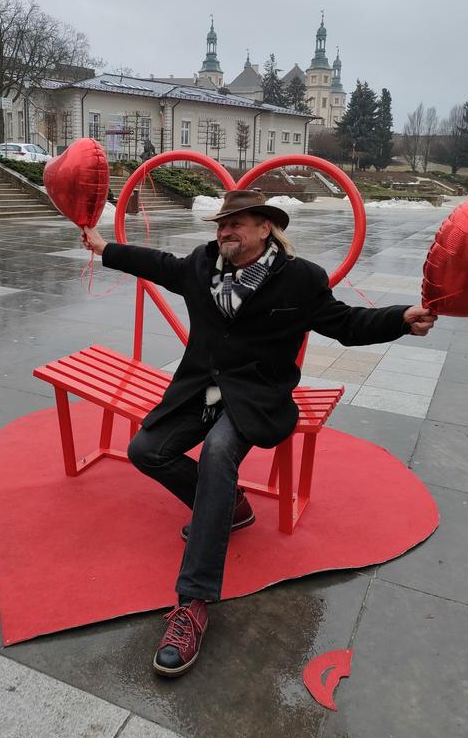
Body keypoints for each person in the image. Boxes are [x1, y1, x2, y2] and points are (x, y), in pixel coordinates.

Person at [82, 189, 435, 678]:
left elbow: (345, 323)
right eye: (221, 224)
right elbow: (155, 262)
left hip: (256, 395)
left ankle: (193, 603)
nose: (225, 232)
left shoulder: (299, 279)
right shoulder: (201, 266)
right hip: (200, 391)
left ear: (265, 227)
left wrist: (399, 319)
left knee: (218, 453)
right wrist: (104, 248)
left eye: (237, 223)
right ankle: (232, 507)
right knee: (146, 450)